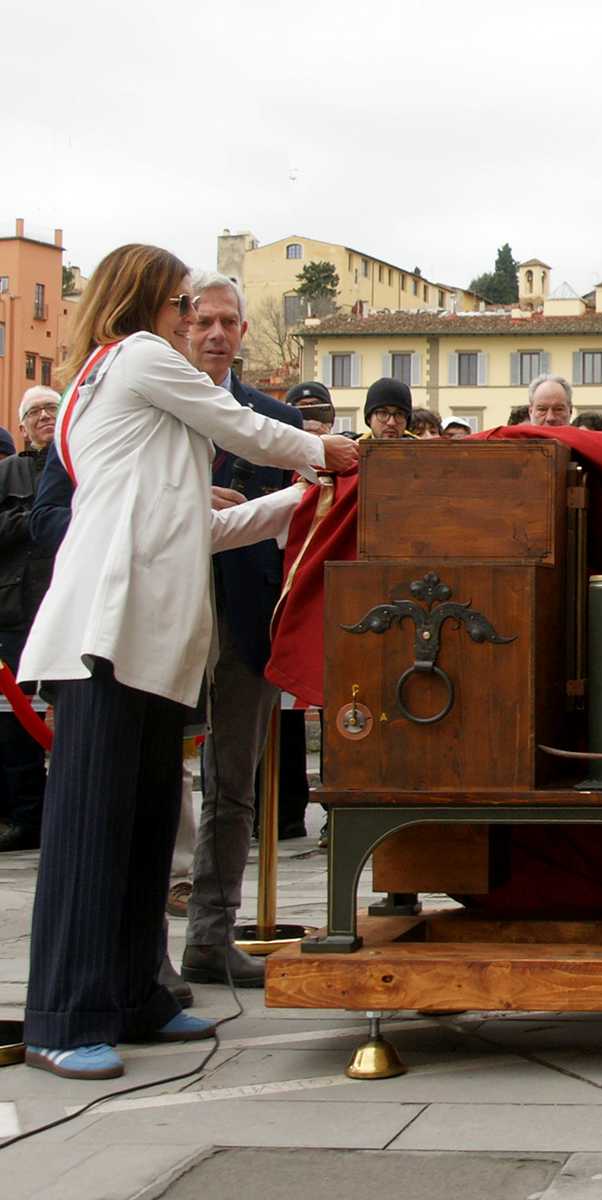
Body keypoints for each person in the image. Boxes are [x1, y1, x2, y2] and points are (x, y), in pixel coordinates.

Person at [18, 244, 358, 1079]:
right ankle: (64, 1015)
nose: (187, 319)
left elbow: (201, 530)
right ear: (146, 301)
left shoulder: (133, 394)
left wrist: (300, 499)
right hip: (109, 634)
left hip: (147, 645)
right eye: (180, 303)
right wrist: (326, 455)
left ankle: (136, 996)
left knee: (139, 830)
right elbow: (240, 422)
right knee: (93, 832)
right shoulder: (135, 357)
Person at [180, 272, 305, 990]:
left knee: (232, 785)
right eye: (204, 322)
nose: (218, 333)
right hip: (157, 612)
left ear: (243, 332)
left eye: (229, 321)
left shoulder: (270, 418)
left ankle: (209, 936)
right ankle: (134, 943)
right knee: (147, 782)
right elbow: (55, 518)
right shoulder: (143, 409)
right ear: (182, 327)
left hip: (244, 619)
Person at [0, 386, 60, 852]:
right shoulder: (8, 472)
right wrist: (34, 518)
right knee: (15, 722)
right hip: (17, 612)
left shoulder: (81, 465)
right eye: (34, 412)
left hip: (66, 606)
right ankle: (25, 817)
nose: (43, 417)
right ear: (22, 426)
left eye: (51, 409)